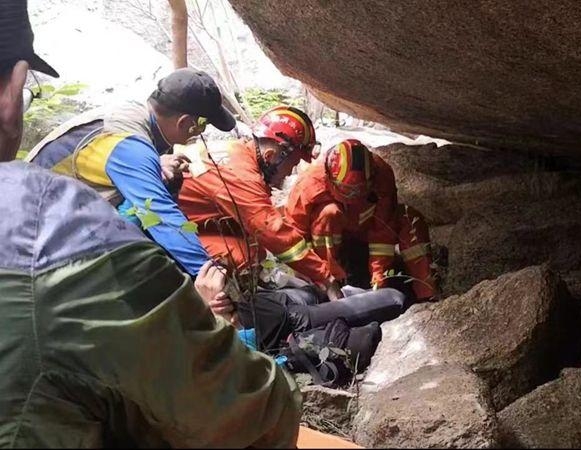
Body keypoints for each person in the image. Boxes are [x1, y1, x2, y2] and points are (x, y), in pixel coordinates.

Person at [0, 1, 301, 446]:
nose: (198, 136)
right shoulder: (128, 148)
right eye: (199, 128)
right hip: (57, 263)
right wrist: (213, 284)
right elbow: (160, 221)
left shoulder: (127, 128)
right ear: (12, 92)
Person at [175, 106, 404, 354]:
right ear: (274, 155)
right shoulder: (239, 174)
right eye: (293, 164)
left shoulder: (236, 159)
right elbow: (275, 230)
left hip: (244, 296)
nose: (291, 172)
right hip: (230, 299)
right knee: (389, 300)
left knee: (340, 296)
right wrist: (325, 278)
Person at [25, 67, 233, 278]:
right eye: (203, 125)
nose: (202, 133)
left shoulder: (137, 118)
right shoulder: (128, 145)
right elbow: (161, 216)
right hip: (33, 242)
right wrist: (209, 274)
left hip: (47, 223)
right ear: (185, 123)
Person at [285, 138, 439, 302]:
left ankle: (427, 293)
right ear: (329, 178)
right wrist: (313, 274)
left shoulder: (382, 174)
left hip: (365, 233)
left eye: (360, 190)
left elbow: (383, 231)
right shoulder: (310, 182)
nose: (354, 197)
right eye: (347, 191)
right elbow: (294, 234)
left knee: (410, 218)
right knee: (328, 213)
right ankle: (330, 283)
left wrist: (379, 280)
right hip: (331, 242)